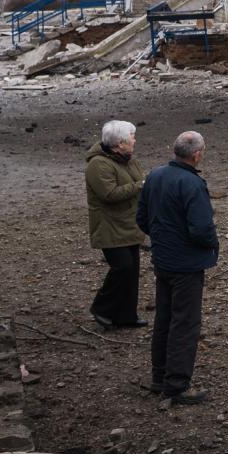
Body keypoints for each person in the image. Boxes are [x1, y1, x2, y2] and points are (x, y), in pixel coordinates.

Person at [136, 131, 218, 404]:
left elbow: (142, 218)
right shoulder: (192, 185)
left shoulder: (156, 175)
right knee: (185, 323)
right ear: (196, 155)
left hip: (163, 259)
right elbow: (201, 229)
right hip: (186, 263)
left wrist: (163, 239)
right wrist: (209, 245)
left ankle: (159, 377)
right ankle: (177, 385)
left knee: (165, 319)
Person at [86, 120, 147, 329]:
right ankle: (102, 307)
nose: (134, 140)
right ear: (120, 143)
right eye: (132, 136)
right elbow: (109, 194)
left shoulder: (129, 160)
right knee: (122, 268)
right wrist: (141, 186)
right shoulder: (98, 165)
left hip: (129, 223)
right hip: (109, 226)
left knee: (131, 271)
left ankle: (126, 315)